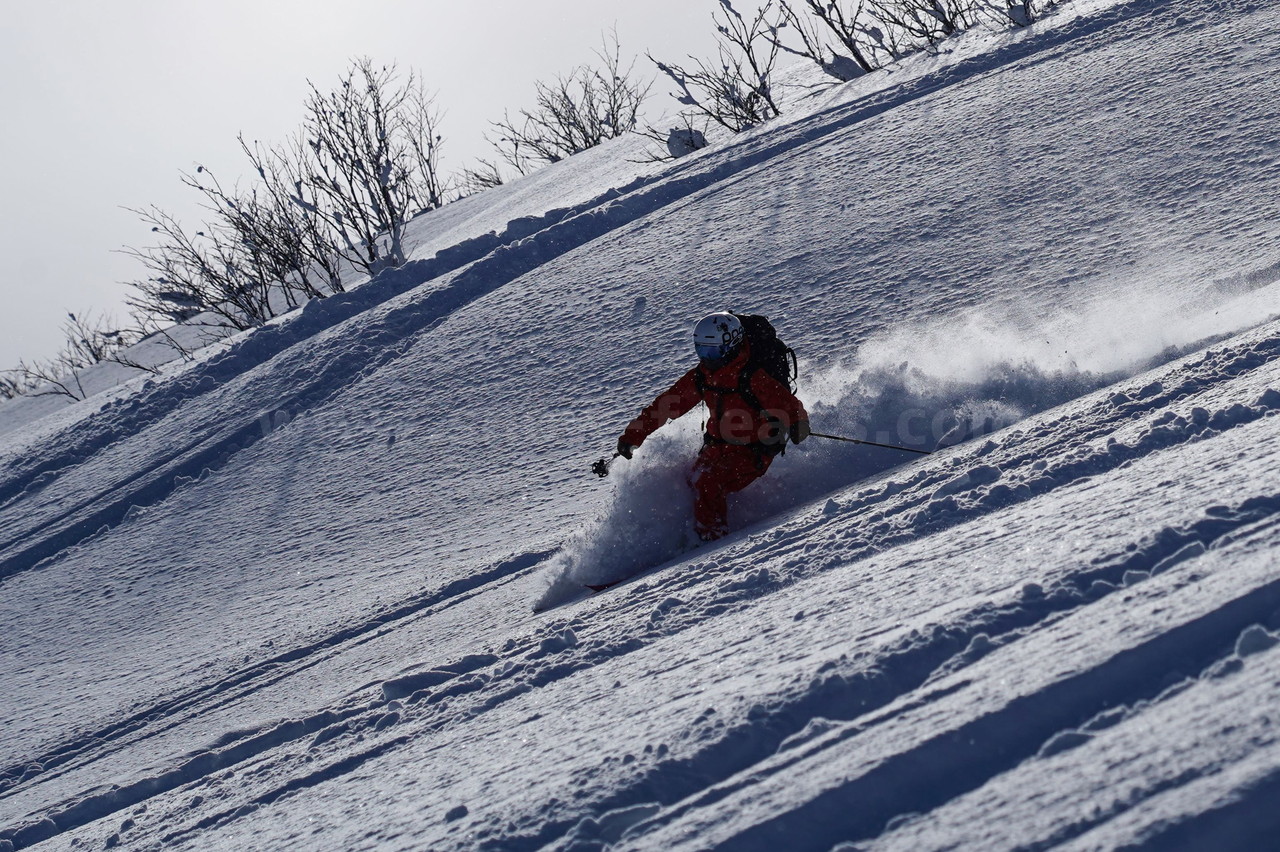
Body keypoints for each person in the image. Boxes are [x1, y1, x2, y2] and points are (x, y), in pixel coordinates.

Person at [615, 312, 810, 541]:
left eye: (713, 351)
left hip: (752, 451)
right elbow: (666, 405)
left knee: (708, 483)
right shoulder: (703, 376)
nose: (707, 358)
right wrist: (634, 435)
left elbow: (788, 404)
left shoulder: (752, 377)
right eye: (702, 351)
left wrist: (798, 424)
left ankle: (712, 540)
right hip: (717, 447)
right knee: (688, 480)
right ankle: (690, 534)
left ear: (732, 345)